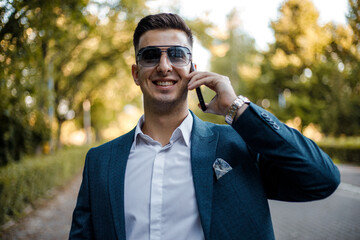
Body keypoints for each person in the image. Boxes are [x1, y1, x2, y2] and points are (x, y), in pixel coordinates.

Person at [69, 13, 340, 240]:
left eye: (176, 55)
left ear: (193, 69)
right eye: (150, 56)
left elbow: (322, 179)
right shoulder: (100, 162)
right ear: (135, 74)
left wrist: (238, 109)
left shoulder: (238, 145)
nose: (164, 66)